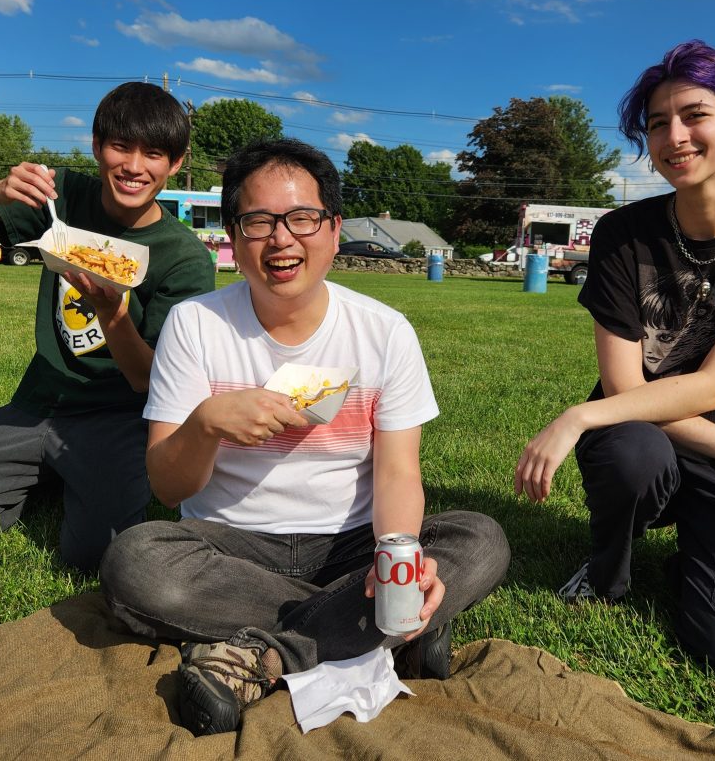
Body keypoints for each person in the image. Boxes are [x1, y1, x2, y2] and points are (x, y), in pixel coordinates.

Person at [99, 138, 510, 735]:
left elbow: (398, 473)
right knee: (135, 561)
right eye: (258, 221)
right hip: (229, 545)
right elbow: (168, 486)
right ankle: (379, 628)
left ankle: (264, 655)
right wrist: (207, 423)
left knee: (481, 538)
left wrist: (401, 554)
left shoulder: (384, 332)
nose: (281, 239)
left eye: (302, 218)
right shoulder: (196, 325)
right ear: (234, 237)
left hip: (351, 543)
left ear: (334, 230)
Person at [514, 41, 715, 675]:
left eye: (695, 115)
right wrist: (589, 415)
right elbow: (624, 385)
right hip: (638, 434)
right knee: (632, 448)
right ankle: (610, 565)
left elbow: (713, 387)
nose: (674, 137)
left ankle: (699, 553)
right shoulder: (622, 235)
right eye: (657, 123)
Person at [0, 83, 216, 573]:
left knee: (92, 557)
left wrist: (112, 315)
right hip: (37, 402)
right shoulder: (64, 197)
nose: (134, 167)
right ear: (97, 147)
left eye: (154, 154)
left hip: (118, 417)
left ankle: (70, 474)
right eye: (120, 147)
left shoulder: (185, 260)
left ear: (175, 164)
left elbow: (149, 380)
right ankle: (50, 471)